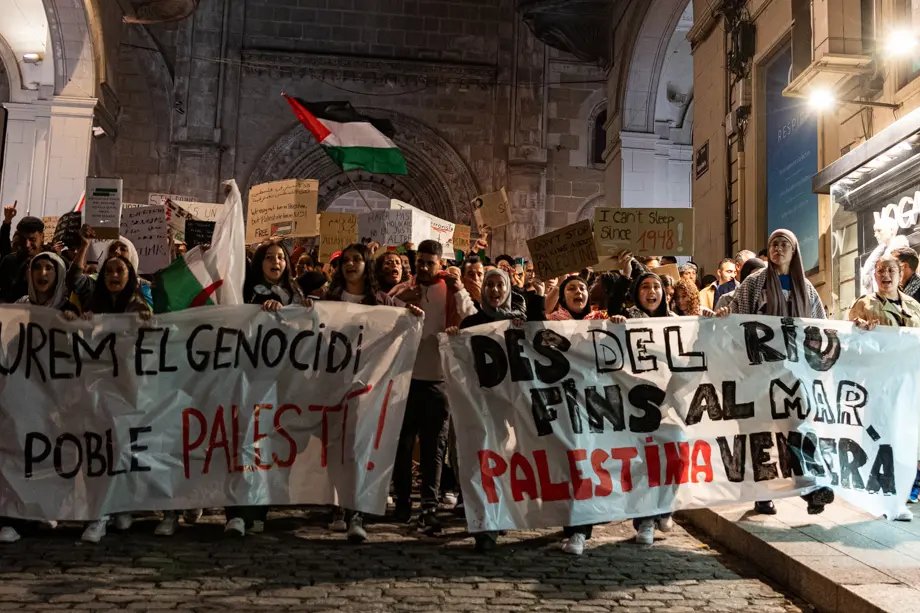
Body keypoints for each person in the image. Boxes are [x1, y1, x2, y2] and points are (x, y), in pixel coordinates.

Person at [726, 229, 833, 516]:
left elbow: (819, 328)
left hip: (794, 374)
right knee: (760, 434)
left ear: (794, 250)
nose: (778, 248)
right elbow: (738, 317)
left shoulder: (806, 288)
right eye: (773, 243)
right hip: (759, 371)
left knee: (799, 428)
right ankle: (762, 494)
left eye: (784, 244)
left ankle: (812, 486)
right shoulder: (754, 283)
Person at [320, 243, 421, 542]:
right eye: (346, 261)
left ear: (367, 265)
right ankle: (337, 505)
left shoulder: (383, 301)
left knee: (360, 446)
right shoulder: (330, 299)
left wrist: (412, 314)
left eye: (357, 260)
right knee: (336, 446)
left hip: (367, 386)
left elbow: (403, 325)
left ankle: (357, 513)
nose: (351, 265)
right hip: (335, 382)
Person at [391, 240, 478, 532]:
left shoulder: (449, 289)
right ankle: (403, 503)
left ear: (441, 264)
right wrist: (402, 301)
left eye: (431, 263)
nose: (425, 268)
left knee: (434, 448)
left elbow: (470, 315)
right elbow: (384, 314)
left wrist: (459, 287)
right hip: (404, 380)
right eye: (421, 263)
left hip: (438, 381)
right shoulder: (403, 291)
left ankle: (428, 506)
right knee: (401, 446)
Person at [67, 251, 150, 542]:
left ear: (130, 277)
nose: (114, 276)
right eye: (108, 272)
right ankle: (99, 513)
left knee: (123, 448)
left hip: (129, 390)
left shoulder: (140, 307)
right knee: (99, 449)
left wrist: (148, 325)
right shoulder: (92, 306)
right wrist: (76, 321)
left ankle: (120, 505)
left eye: (120, 271)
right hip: (97, 390)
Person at [225, 240, 305, 537]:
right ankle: (235, 511)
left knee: (270, 446)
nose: (276, 262)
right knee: (243, 441)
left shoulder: (296, 295)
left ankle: (259, 510)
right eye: (270, 257)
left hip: (281, 381)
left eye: (281, 257)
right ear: (259, 263)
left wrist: (304, 312)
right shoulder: (244, 292)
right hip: (248, 378)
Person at [445, 268, 525, 552]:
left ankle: (499, 511)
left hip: (505, 405)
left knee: (503, 459)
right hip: (478, 403)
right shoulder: (472, 322)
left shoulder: (516, 322)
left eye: (499, 285)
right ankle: (484, 526)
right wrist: (455, 337)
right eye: (489, 285)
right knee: (480, 457)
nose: (494, 290)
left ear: (508, 289)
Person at [850, 255, 920, 519]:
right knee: (881, 441)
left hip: (909, 383)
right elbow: (850, 343)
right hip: (879, 386)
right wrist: (859, 331)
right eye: (881, 270)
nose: (886, 275)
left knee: (905, 440)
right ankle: (881, 497)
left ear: (901, 273)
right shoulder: (865, 305)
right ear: (874, 275)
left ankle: (898, 497)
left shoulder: (913, 306)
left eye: (891, 270)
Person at [609, 272, 676, 545]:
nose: (651, 291)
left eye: (656, 286)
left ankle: (665, 507)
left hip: (671, 403)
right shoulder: (627, 320)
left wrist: (711, 318)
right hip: (637, 404)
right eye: (645, 287)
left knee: (675, 457)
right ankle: (645, 521)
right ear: (637, 293)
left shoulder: (676, 322)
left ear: (664, 292)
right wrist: (616, 325)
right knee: (645, 463)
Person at [0, 215, 43, 303]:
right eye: (23, 240)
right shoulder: (9, 261)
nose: (27, 245)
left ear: (42, 237)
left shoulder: (53, 261)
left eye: (32, 239)